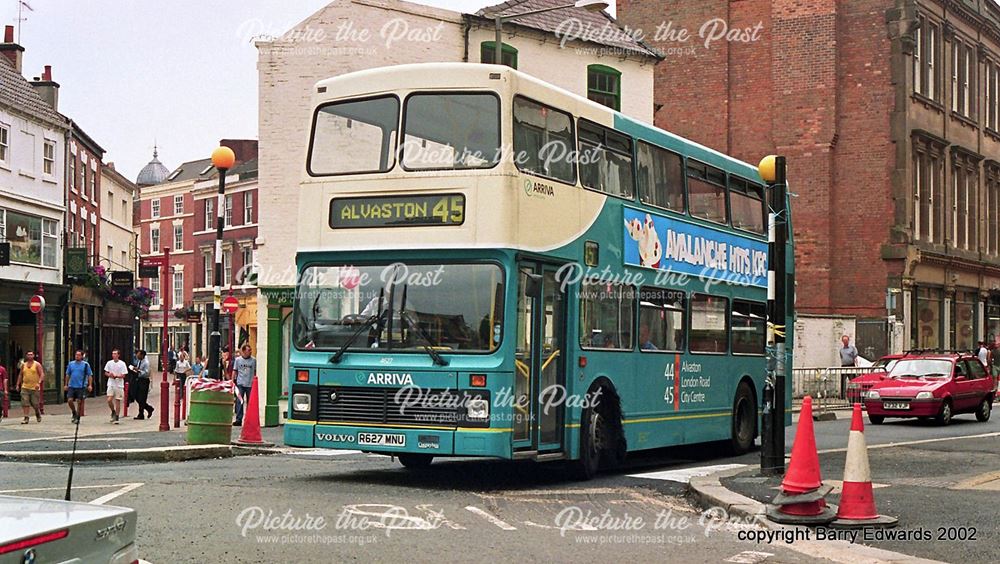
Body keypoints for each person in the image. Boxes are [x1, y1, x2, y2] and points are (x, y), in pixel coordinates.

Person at [64, 350, 93, 424]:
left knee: (79, 401)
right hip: (72, 385)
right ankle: (74, 412)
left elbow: (89, 375)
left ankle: (77, 416)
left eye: (79, 355)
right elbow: (68, 374)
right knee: (70, 400)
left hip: (81, 386)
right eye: (76, 355)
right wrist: (66, 384)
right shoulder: (71, 364)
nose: (77, 356)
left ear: (82, 356)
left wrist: (90, 385)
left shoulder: (85, 365)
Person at [15, 351, 44, 424]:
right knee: (25, 402)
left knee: (35, 404)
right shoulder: (23, 365)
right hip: (25, 386)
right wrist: (18, 384)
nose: (30, 356)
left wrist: (39, 383)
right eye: (28, 355)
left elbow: (42, 374)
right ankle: (26, 417)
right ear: (26, 356)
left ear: (33, 356)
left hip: (35, 387)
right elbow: (20, 375)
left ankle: (37, 413)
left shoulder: (37, 364)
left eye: (31, 354)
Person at [233, 345, 256, 426]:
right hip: (240, 383)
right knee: (240, 401)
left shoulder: (253, 360)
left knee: (250, 403)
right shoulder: (238, 360)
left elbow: (255, 371)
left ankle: (249, 419)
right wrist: (233, 381)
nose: (250, 352)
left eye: (250, 350)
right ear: (243, 351)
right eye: (248, 350)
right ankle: (239, 419)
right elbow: (235, 371)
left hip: (250, 384)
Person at [104, 349, 129, 424]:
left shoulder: (122, 364)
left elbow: (124, 374)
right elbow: (106, 372)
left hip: (119, 384)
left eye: (115, 354)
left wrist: (117, 376)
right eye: (113, 354)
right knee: (109, 399)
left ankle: (117, 416)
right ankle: (113, 411)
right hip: (111, 383)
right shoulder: (109, 363)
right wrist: (109, 375)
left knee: (118, 400)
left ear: (118, 355)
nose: (114, 355)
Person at [130, 350, 153, 420]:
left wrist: (138, 370)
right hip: (138, 380)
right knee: (137, 396)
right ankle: (149, 408)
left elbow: (147, 373)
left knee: (142, 397)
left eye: (138, 354)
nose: (137, 356)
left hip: (144, 381)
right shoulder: (139, 361)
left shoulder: (146, 363)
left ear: (142, 355)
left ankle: (141, 414)